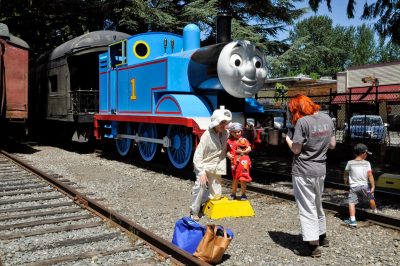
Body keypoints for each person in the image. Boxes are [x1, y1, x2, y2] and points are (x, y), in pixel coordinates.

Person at [285, 94, 336, 257]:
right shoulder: (327, 118)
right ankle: (322, 236)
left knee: (307, 207)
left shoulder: (302, 122)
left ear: (297, 109)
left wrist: (288, 139)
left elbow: (296, 149)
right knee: (317, 203)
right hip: (320, 170)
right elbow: (333, 145)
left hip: (303, 171)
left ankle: (313, 246)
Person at [189, 106, 232, 221]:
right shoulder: (207, 135)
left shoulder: (226, 133)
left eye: (225, 122)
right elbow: (197, 155)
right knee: (201, 185)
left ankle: (204, 203)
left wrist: (229, 154)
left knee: (216, 195)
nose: (223, 125)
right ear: (215, 123)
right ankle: (194, 211)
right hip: (204, 165)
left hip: (216, 166)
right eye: (221, 122)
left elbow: (225, 147)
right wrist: (201, 171)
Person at [344, 143, 377, 226]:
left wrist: (346, 181)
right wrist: (373, 186)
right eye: (366, 153)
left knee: (351, 203)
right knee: (370, 198)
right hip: (365, 186)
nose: (366, 155)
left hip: (354, 187)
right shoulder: (367, 163)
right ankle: (375, 211)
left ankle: (352, 220)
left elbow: (345, 174)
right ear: (363, 153)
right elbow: (370, 175)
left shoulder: (350, 163)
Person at [227, 122, 252, 200]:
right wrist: (228, 155)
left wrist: (244, 152)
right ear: (231, 132)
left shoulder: (244, 140)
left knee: (243, 179)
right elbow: (227, 151)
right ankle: (233, 193)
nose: (237, 133)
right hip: (234, 163)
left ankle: (243, 194)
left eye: (239, 132)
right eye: (235, 132)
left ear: (241, 131)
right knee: (235, 179)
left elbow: (249, 148)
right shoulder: (229, 141)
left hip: (243, 163)